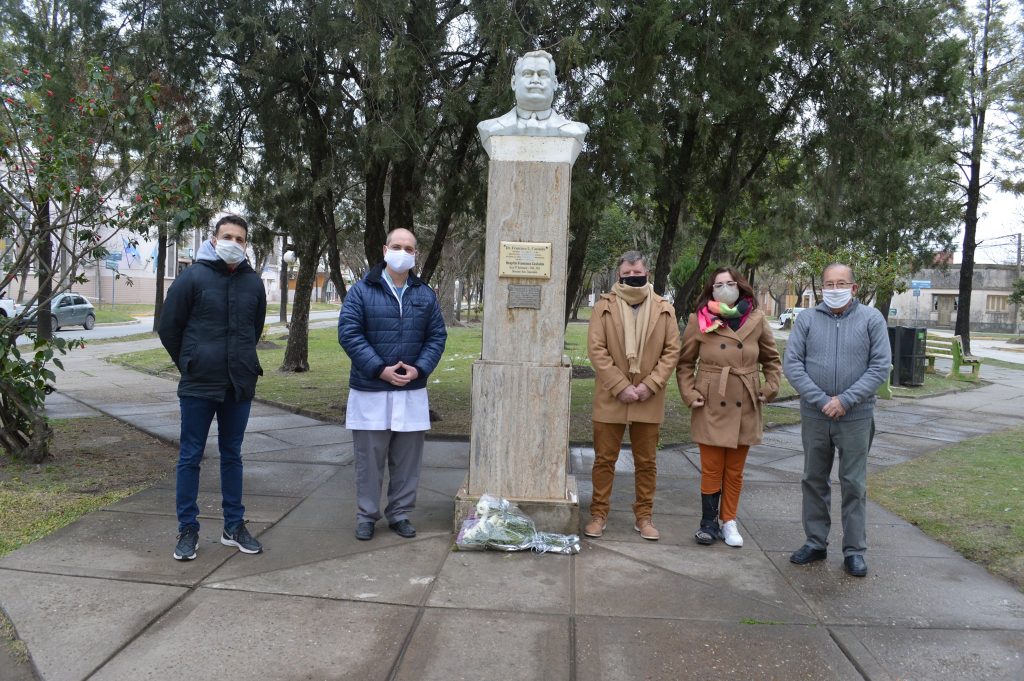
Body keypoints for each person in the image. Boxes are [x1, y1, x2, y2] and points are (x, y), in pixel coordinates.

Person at [159, 214, 267, 561]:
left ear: (246, 244)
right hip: (198, 384)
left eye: (240, 238)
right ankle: (187, 529)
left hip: (238, 384)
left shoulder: (254, 283)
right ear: (214, 238)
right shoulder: (193, 277)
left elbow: (255, 328)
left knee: (232, 454)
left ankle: (233, 526)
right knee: (190, 456)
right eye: (227, 236)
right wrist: (190, 361)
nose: (233, 243)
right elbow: (169, 327)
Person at [338, 228, 447, 541]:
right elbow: (349, 333)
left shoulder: (424, 294)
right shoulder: (361, 291)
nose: (402, 252)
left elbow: (436, 336)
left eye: (409, 248)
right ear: (385, 249)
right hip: (371, 389)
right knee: (368, 461)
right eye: (397, 246)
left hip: (411, 390)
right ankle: (366, 516)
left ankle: (399, 513)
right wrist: (379, 369)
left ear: (415, 255)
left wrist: (420, 369)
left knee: (407, 461)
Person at [784, 263, 891, 577]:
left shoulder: (872, 319)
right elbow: (793, 365)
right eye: (829, 284)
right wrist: (822, 401)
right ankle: (815, 542)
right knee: (813, 480)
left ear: (854, 288)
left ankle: (854, 551)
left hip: (856, 417)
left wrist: (845, 400)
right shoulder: (806, 319)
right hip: (815, 415)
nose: (835, 289)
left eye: (841, 283)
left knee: (853, 484)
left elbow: (879, 366)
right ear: (822, 288)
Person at [677, 267, 781, 548]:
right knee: (711, 468)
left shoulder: (757, 319)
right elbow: (685, 363)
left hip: (745, 400)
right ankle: (708, 523)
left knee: (735, 470)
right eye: (718, 284)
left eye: (730, 283)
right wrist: (689, 392)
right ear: (711, 290)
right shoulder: (698, 319)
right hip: (711, 400)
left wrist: (769, 388)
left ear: (741, 286)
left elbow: (772, 360)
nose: (725, 288)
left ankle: (729, 520)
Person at [584, 251, 681, 541]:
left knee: (647, 462)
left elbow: (671, 351)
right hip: (611, 397)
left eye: (637, 273)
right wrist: (620, 385)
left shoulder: (664, 308)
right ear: (619, 276)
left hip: (648, 398)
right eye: (626, 275)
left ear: (647, 273)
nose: (632, 278)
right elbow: (596, 350)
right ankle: (599, 514)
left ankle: (644, 516)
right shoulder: (604, 307)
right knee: (604, 460)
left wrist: (649, 385)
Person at [477, 50, 589, 146]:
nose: (535, 80)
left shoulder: (574, 130)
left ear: (555, 83)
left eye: (543, 74)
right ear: (514, 82)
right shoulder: (490, 128)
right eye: (528, 74)